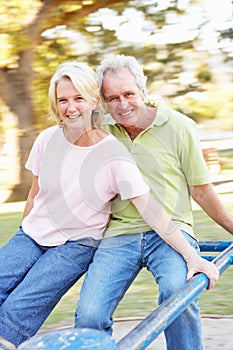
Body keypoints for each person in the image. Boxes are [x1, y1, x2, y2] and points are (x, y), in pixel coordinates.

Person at [74, 55, 233, 350]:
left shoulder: (180, 126)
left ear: (143, 91)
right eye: (113, 98)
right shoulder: (101, 131)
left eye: (129, 94)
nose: (122, 104)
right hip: (120, 234)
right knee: (89, 314)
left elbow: (200, 190)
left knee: (178, 291)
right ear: (104, 102)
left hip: (173, 231)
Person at [0, 61, 150, 349]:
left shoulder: (112, 154)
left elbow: (148, 208)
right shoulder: (46, 139)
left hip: (76, 243)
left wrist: (192, 257)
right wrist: (23, 235)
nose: (70, 107)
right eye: (63, 100)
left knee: (14, 313)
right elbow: (34, 195)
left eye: (79, 98)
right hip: (32, 235)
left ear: (94, 100)